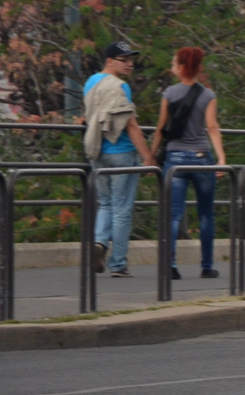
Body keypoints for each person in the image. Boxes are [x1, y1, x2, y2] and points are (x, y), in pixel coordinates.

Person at [82, 41, 154, 277]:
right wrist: (147, 157)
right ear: (110, 60)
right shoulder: (121, 87)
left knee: (106, 203)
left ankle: (99, 243)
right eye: (124, 60)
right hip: (122, 153)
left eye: (131, 59)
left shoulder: (90, 83)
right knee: (122, 209)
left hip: (98, 152)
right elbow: (131, 125)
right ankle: (118, 264)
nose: (130, 64)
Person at [155, 47, 226, 279]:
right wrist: (221, 158)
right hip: (201, 157)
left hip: (175, 159)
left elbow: (161, 129)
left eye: (174, 63)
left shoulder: (169, 94)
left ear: (182, 67)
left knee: (173, 214)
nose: (171, 66)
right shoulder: (207, 95)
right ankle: (206, 266)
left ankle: (171, 266)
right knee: (206, 214)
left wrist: (151, 155)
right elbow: (212, 128)